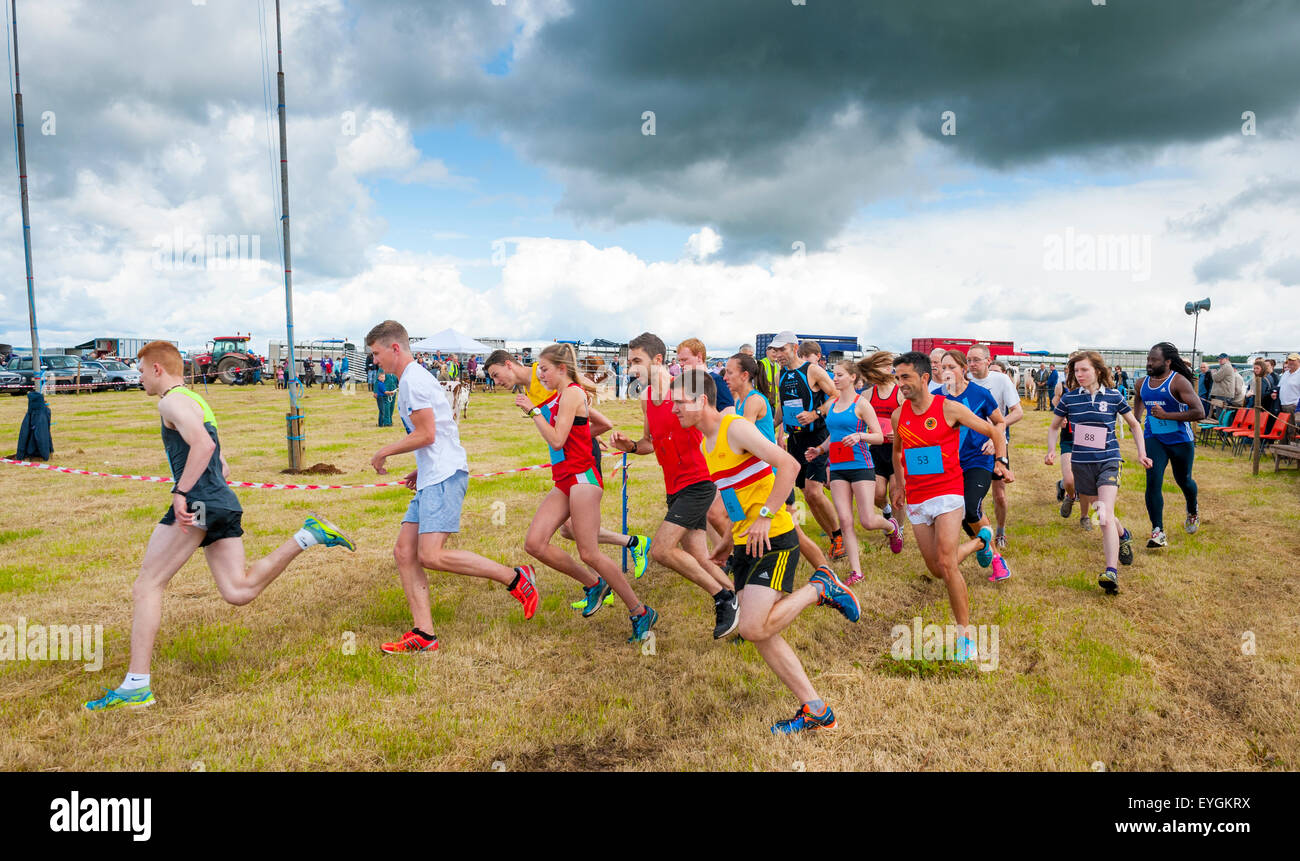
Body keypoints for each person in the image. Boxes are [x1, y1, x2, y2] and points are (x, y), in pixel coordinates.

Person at [86, 341, 355, 711]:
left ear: (158, 369)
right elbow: (222, 464)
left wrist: (181, 490)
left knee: (147, 585)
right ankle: (309, 535)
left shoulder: (170, 401)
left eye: (142, 369)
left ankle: (136, 686)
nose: (140, 377)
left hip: (199, 503)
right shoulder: (198, 402)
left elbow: (203, 448)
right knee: (238, 590)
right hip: (221, 500)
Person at [672, 369, 860, 734]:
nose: (674, 409)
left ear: (701, 401)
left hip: (773, 536)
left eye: (679, 402)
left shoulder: (735, 428)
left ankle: (821, 588)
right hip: (746, 542)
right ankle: (817, 710)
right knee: (760, 633)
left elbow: (788, 465)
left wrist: (765, 515)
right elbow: (735, 499)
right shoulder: (705, 443)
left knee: (754, 626)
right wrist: (725, 545)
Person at [365, 321, 538, 653]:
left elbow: (427, 434)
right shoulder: (412, 379)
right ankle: (424, 634)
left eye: (376, 353)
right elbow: (439, 432)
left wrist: (384, 451)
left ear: (395, 348)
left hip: (444, 475)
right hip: (434, 473)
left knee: (430, 555)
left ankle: (516, 578)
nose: (375, 361)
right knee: (404, 552)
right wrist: (420, 468)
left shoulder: (413, 381)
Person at [518, 344, 658, 642]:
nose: (539, 375)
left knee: (589, 552)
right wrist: (581, 435)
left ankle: (639, 611)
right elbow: (594, 426)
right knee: (535, 543)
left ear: (561, 369)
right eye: (538, 369)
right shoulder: (561, 396)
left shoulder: (571, 394)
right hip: (565, 479)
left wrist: (533, 412)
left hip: (582, 478)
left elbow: (556, 441)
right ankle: (594, 585)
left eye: (544, 369)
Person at [608, 333, 738, 639]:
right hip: (674, 485)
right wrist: (629, 446)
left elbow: (718, 425)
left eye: (636, 361)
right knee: (698, 555)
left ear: (656, 360)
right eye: (629, 362)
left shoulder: (687, 389)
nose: (631, 369)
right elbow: (649, 443)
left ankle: (723, 598)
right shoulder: (646, 398)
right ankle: (739, 602)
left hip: (699, 480)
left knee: (661, 550)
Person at [483, 350, 651, 585]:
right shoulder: (531, 387)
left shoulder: (542, 377)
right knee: (568, 530)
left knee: (578, 536)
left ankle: (605, 582)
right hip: (566, 454)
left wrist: (586, 429)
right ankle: (628, 548)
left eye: (496, 374)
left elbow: (575, 393)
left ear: (508, 364)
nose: (497, 382)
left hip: (577, 458)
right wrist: (585, 432)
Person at [889, 351, 1005, 662]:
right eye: (897, 378)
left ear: (925, 378)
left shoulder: (949, 408)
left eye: (906, 378)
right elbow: (897, 452)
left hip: (948, 493)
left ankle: (965, 637)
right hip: (917, 496)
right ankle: (981, 540)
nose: (901, 384)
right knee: (937, 569)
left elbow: (994, 429)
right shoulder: (899, 414)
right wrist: (899, 485)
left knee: (947, 562)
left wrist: (1000, 458)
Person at [723, 351, 837, 577]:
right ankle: (740, 563)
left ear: (745, 375)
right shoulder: (739, 401)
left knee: (795, 532)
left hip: (772, 478)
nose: (724, 376)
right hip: (755, 476)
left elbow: (741, 438)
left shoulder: (753, 401)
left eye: (729, 372)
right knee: (733, 517)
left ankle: (826, 575)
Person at [1047, 351, 1151, 595]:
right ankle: (1124, 534)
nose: (1079, 375)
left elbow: (1135, 425)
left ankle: (1111, 572)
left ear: (1097, 371)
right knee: (1099, 511)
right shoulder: (1070, 399)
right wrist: (1052, 450)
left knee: (1103, 515)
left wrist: (1141, 453)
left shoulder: (1114, 396)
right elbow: (1053, 427)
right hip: (1082, 464)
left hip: (1109, 461)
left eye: (1084, 370)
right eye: (1076, 371)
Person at [804, 355, 905, 585]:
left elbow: (879, 436)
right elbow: (834, 435)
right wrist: (820, 450)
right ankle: (856, 572)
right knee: (845, 520)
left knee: (868, 521)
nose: (834, 379)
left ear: (852, 378)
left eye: (839, 375)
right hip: (838, 467)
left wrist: (860, 436)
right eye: (834, 375)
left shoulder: (861, 404)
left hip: (861, 466)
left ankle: (892, 526)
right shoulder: (832, 404)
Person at [937, 350, 1012, 581]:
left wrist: (993, 440)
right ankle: (988, 549)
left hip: (978, 460)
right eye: (943, 368)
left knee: (971, 508)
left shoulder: (980, 394)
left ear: (963, 369)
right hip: (949, 464)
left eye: (952, 367)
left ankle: (996, 559)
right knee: (960, 515)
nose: (947, 372)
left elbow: (999, 422)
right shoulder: (935, 397)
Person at [772, 331, 844, 558]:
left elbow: (836, 396)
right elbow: (782, 407)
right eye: (775, 350)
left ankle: (839, 537)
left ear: (794, 348)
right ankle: (833, 537)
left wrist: (815, 414)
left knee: (814, 491)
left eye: (782, 349)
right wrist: (772, 427)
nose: (778, 354)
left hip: (816, 436)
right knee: (806, 491)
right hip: (795, 440)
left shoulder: (812, 370)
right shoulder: (780, 375)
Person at [966, 344, 1023, 550]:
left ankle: (1000, 531)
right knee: (972, 496)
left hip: (996, 445)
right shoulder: (964, 381)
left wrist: (995, 434)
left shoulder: (1001, 380)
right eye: (968, 360)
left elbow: (1017, 412)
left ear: (988, 361)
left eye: (976, 360)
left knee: (999, 494)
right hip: (970, 448)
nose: (971, 364)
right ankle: (979, 534)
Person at [1278, 353, 1300, 443]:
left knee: (1292, 429)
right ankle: (1282, 452)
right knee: (1283, 428)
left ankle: (1292, 451)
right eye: (1289, 360)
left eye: (1293, 360)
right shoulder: (1285, 373)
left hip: (1293, 405)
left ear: (1298, 361)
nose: (1290, 362)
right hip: (1282, 404)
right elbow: (1279, 386)